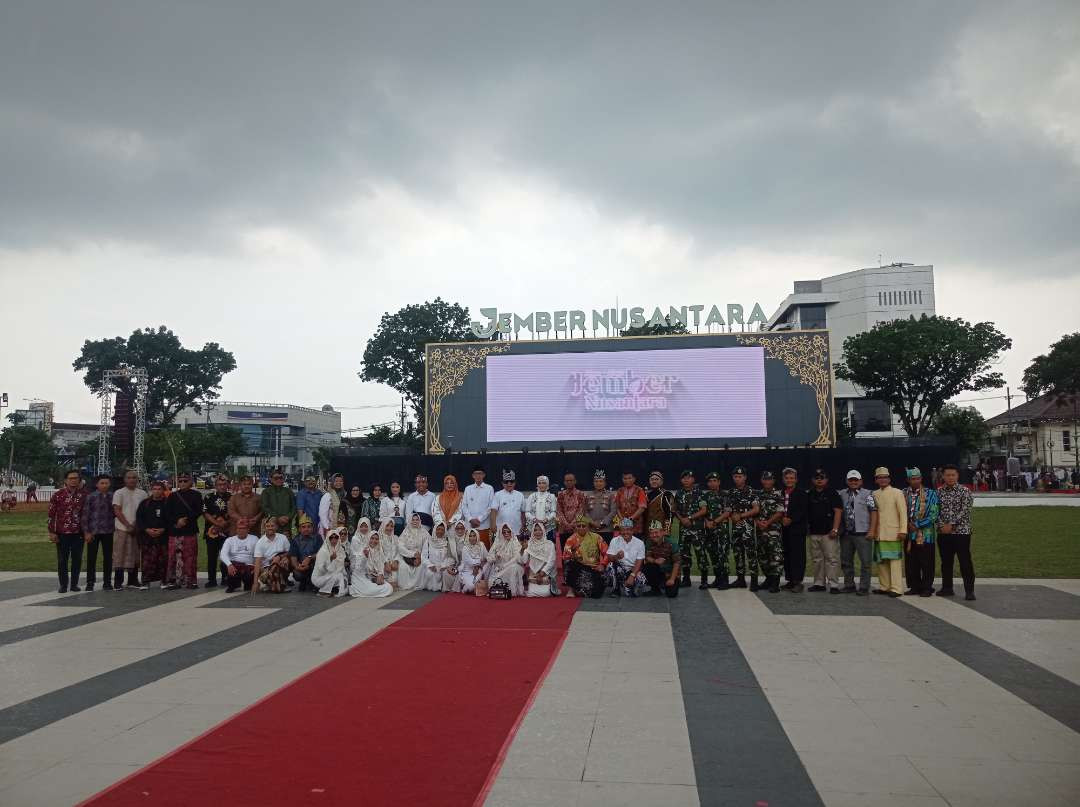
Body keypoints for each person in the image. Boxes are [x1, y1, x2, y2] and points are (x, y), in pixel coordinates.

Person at [936, 464, 976, 601]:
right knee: (946, 562)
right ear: (943, 476)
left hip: (961, 533)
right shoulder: (939, 492)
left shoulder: (965, 491)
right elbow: (935, 510)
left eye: (953, 475)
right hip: (943, 533)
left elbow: (965, 510)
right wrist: (941, 525)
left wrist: (951, 525)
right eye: (948, 475)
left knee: (965, 562)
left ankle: (969, 590)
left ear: (957, 476)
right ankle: (947, 588)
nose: (950, 477)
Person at [868, 467, 907, 597]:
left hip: (893, 533)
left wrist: (903, 530)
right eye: (880, 477)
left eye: (885, 477)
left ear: (889, 479)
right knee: (881, 561)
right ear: (876, 480)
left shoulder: (897, 492)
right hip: (879, 533)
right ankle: (884, 586)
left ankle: (896, 588)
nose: (883, 479)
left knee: (894, 561)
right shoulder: (874, 494)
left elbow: (903, 513)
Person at [48, 470, 88, 593]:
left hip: (78, 533)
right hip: (62, 533)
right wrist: (52, 532)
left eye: (76, 478)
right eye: (71, 478)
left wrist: (87, 531)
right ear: (66, 480)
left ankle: (74, 584)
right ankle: (63, 585)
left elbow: (87, 515)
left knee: (77, 559)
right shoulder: (58, 495)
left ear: (80, 480)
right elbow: (51, 515)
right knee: (62, 560)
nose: (73, 480)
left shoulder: (85, 495)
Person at [805, 468, 843, 594]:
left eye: (822, 477)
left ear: (826, 479)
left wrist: (835, 529)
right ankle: (819, 583)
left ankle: (833, 584)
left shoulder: (832, 493)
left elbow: (838, 511)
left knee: (831, 559)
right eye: (817, 478)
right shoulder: (809, 493)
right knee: (817, 559)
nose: (819, 480)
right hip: (814, 532)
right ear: (812, 480)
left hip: (828, 532)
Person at [902, 468, 939, 597]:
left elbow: (934, 515)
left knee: (927, 561)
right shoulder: (903, 494)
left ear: (921, 479)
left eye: (918, 478)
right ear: (908, 480)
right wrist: (906, 524)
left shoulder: (931, 494)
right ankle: (915, 586)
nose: (916, 481)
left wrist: (917, 524)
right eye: (913, 479)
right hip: (908, 533)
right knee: (912, 562)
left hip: (926, 535)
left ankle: (927, 587)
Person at [164, 472, 202, 590]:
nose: (183, 483)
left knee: (190, 557)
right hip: (175, 531)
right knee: (174, 557)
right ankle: (175, 581)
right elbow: (167, 512)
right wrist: (177, 521)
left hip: (189, 530)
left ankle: (190, 580)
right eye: (180, 481)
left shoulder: (196, 495)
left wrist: (185, 520)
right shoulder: (172, 496)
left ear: (190, 482)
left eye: (185, 481)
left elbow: (198, 511)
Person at [838, 470, 874, 595]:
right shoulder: (841, 494)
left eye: (856, 480)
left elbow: (874, 512)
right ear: (847, 481)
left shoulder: (868, 494)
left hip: (863, 533)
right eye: (851, 480)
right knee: (846, 561)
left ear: (861, 481)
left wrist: (872, 530)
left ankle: (864, 587)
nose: (853, 482)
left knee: (865, 562)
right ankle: (849, 585)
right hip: (847, 534)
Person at [112, 469, 147, 589]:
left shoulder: (142, 493)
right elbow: (117, 510)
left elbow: (143, 512)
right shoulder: (119, 493)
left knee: (135, 554)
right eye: (129, 477)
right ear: (124, 479)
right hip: (122, 528)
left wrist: (136, 525)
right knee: (120, 554)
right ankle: (118, 581)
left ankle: (133, 580)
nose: (131, 480)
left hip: (137, 529)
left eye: (134, 477)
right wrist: (128, 525)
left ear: (137, 480)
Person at [80, 474, 115, 592]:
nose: (104, 485)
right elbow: (85, 515)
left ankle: (107, 582)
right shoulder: (91, 497)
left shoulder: (113, 496)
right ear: (97, 484)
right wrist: (86, 532)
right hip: (93, 532)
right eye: (102, 483)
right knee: (91, 558)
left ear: (110, 484)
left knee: (108, 558)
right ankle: (90, 582)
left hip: (108, 531)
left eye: (106, 483)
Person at [753, 471, 786, 593]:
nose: (767, 481)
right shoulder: (757, 494)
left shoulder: (778, 494)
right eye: (765, 479)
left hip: (773, 531)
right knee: (762, 557)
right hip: (760, 531)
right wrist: (757, 522)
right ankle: (768, 579)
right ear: (762, 480)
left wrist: (767, 522)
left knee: (775, 556)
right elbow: (754, 511)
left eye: (769, 479)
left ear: (773, 481)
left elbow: (780, 512)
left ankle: (775, 583)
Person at [673, 471, 706, 589]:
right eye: (684, 478)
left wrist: (690, 518)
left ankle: (704, 580)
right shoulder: (679, 493)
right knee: (684, 555)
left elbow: (703, 510)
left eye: (689, 478)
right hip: (684, 529)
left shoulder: (699, 493)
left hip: (697, 529)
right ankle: (686, 579)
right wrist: (681, 519)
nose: (686, 480)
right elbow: (674, 509)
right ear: (681, 480)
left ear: (693, 479)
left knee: (700, 554)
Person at [728, 467, 759, 589]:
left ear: (745, 477)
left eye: (740, 476)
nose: (738, 479)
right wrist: (731, 515)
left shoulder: (751, 491)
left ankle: (754, 581)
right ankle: (740, 580)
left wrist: (741, 515)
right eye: (735, 476)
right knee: (737, 554)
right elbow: (728, 509)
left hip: (748, 530)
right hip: (736, 529)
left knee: (751, 554)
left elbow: (756, 509)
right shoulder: (731, 492)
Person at [135, 481, 169, 590]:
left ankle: (164, 581)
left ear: (163, 490)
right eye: (154, 489)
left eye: (159, 489)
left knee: (163, 560)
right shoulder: (145, 503)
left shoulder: (168, 503)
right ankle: (145, 582)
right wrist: (146, 529)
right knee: (147, 561)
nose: (157, 491)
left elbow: (171, 518)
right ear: (151, 490)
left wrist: (163, 529)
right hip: (147, 537)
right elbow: (139, 519)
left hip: (163, 537)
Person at [562, 515, 607, 598]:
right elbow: (565, 556)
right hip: (578, 568)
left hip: (594, 568)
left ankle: (581, 589)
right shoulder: (571, 539)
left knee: (596, 594)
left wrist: (603, 564)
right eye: (579, 526)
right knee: (569, 563)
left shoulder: (597, 537)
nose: (581, 528)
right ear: (575, 527)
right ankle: (571, 589)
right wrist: (574, 552)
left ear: (588, 527)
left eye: (584, 526)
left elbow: (606, 553)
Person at [780, 467, 808, 592]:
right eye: (787, 478)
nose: (789, 480)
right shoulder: (780, 493)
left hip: (797, 529)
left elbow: (803, 510)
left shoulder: (802, 494)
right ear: (783, 479)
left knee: (798, 556)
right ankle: (790, 580)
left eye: (792, 478)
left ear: (796, 479)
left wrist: (791, 519)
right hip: (783, 529)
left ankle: (798, 581)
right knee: (786, 554)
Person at [202, 474, 231, 588]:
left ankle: (226, 578)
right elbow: (205, 513)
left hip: (227, 531)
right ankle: (212, 579)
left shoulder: (231, 497)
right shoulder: (209, 497)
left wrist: (225, 522)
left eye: (224, 484)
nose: (222, 487)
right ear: (215, 485)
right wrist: (216, 523)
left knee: (226, 556)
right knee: (211, 556)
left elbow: (233, 513)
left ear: (227, 485)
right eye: (220, 484)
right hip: (211, 531)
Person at [349, 524, 395, 597]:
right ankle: (356, 588)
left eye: (376, 539)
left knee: (389, 588)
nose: (374, 541)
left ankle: (374, 587)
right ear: (368, 539)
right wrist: (365, 557)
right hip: (361, 577)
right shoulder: (363, 550)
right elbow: (359, 568)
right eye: (372, 538)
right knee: (371, 589)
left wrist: (380, 575)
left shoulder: (379, 551)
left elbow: (380, 566)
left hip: (372, 578)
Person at [701, 472, 729, 589]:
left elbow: (727, 512)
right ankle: (717, 579)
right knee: (713, 555)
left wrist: (715, 522)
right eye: (710, 481)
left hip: (721, 529)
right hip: (709, 530)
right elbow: (703, 511)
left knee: (723, 555)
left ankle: (725, 581)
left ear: (719, 482)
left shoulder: (725, 495)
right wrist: (707, 522)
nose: (712, 483)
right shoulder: (705, 496)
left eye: (715, 480)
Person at [605, 518, 646, 597]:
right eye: (623, 530)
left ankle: (627, 586)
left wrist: (632, 575)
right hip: (620, 569)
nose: (625, 532)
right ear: (620, 531)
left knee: (639, 583)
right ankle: (615, 589)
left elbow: (639, 562)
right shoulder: (615, 540)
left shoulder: (640, 543)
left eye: (628, 530)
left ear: (632, 530)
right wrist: (617, 556)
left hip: (633, 569)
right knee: (610, 566)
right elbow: (609, 558)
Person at [642, 519, 681, 598]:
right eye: (652, 533)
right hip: (659, 570)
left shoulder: (672, 543)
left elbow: (677, 563)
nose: (654, 535)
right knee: (647, 567)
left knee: (671, 594)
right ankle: (655, 589)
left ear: (662, 532)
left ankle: (666, 583)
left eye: (656, 532)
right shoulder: (649, 542)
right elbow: (647, 557)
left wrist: (672, 579)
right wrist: (655, 560)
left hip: (670, 573)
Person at [252, 517, 292, 593]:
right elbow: (257, 562)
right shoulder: (260, 542)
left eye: (272, 526)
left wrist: (279, 557)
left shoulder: (283, 538)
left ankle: (277, 584)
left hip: (281, 565)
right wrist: (255, 583)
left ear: (276, 527)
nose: (270, 528)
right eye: (268, 526)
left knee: (284, 561)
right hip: (266, 569)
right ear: (264, 527)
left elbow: (290, 552)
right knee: (275, 586)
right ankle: (277, 585)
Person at [219, 518, 258, 593]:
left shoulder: (254, 539)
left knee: (248, 588)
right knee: (223, 564)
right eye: (239, 528)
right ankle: (233, 584)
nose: (241, 530)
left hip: (248, 566)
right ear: (236, 530)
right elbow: (223, 554)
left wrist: (255, 567)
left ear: (248, 530)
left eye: (244, 528)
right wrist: (229, 565)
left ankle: (247, 582)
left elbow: (258, 555)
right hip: (234, 566)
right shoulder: (230, 540)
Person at [461, 466, 496, 548]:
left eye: (480, 474)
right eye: (476, 474)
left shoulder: (489, 488)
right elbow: (464, 506)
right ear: (473, 475)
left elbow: (490, 507)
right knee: (470, 549)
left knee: (484, 550)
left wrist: (479, 519)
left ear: (484, 475)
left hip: (484, 526)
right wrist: (470, 519)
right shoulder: (468, 489)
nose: (478, 476)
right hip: (470, 525)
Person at [488, 523, 525, 596]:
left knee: (514, 567)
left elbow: (517, 559)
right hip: (498, 570)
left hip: (511, 567)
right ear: (501, 533)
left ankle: (512, 591)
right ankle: (505, 590)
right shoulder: (497, 543)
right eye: (504, 532)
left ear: (511, 532)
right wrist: (495, 557)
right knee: (491, 583)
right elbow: (489, 559)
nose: (506, 534)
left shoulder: (515, 542)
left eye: (508, 531)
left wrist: (504, 566)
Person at [311, 527, 349, 597]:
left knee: (342, 578)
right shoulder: (323, 551)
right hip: (320, 577)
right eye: (331, 537)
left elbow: (341, 567)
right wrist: (330, 559)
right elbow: (321, 570)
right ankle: (323, 592)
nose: (334, 540)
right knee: (337, 577)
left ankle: (331, 589)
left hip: (331, 575)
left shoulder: (340, 550)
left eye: (336, 537)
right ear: (328, 538)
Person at [289, 514, 323, 592]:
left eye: (308, 526)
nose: (306, 529)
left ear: (312, 528)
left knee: (317, 564)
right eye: (303, 527)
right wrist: (297, 567)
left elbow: (321, 553)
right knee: (297, 574)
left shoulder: (318, 538)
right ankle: (304, 581)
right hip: (302, 566)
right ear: (299, 529)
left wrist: (309, 558)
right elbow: (293, 558)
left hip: (314, 565)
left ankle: (314, 583)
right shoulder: (295, 540)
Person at [422, 521, 459, 592]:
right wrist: (430, 565)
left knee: (444, 574)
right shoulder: (428, 541)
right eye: (438, 529)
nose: (440, 531)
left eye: (442, 530)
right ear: (435, 529)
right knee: (430, 573)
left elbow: (451, 557)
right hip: (431, 566)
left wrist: (444, 565)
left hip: (443, 566)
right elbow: (424, 556)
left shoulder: (448, 542)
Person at [396, 513, 429, 590]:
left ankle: (418, 585)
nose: (415, 521)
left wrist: (420, 557)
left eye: (417, 520)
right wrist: (412, 554)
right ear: (410, 521)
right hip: (406, 556)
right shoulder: (405, 531)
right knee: (403, 567)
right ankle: (405, 585)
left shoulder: (424, 532)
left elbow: (427, 545)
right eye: (413, 520)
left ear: (419, 521)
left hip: (420, 556)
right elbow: (400, 546)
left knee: (422, 566)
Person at [260, 470, 297, 538]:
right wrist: (277, 518)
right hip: (272, 524)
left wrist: (288, 517)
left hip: (286, 524)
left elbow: (294, 507)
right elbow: (264, 507)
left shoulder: (289, 492)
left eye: (281, 478)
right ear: (271, 479)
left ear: (283, 479)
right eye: (276, 478)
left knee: (286, 544)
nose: (278, 480)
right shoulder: (266, 492)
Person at [524, 522, 557, 597]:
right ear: (532, 532)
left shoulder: (549, 544)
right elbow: (524, 561)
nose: (538, 532)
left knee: (545, 593)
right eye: (535, 530)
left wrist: (542, 573)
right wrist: (524, 549)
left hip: (545, 572)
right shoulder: (529, 543)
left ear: (543, 531)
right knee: (531, 593)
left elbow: (551, 561)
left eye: (540, 530)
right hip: (533, 573)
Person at [492, 470, 525, 538]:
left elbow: (523, 512)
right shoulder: (497, 495)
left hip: (516, 529)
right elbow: (493, 511)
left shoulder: (520, 495)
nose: (509, 484)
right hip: (502, 530)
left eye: (511, 482)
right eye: (506, 482)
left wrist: (523, 525)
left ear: (515, 483)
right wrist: (493, 525)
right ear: (502, 483)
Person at [583, 470, 615, 540]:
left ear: (605, 483)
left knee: (606, 550)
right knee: (592, 550)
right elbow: (585, 511)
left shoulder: (611, 495)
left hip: (607, 529)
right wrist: (592, 522)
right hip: (591, 529)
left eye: (601, 481)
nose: (598, 483)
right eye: (596, 481)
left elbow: (613, 512)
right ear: (593, 483)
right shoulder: (588, 495)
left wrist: (602, 523)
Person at [556, 472, 587, 542]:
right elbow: (559, 511)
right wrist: (566, 524)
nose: (569, 482)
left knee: (577, 550)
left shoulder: (580, 494)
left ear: (575, 481)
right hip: (563, 528)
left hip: (577, 528)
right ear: (564, 482)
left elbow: (581, 511)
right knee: (565, 550)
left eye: (571, 480)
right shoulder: (561, 495)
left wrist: (572, 524)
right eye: (567, 481)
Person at [614, 471, 647, 536]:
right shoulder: (620, 491)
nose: (627, 480)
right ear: (622, 479)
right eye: (625, 478)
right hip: (623, 525)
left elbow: (642, 508)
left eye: (629, 478)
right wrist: (622, 519)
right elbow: (617, 507)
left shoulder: (639, 490)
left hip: (636, 526)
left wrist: (631, 518)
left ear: (634, 479)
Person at [457, 527, 489, 594]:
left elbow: (487, 557)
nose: (472, 538)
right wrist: (480, 561)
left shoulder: (481, 545)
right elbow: (470, 562)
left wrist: (479, 565)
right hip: (467, 570)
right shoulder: (465, 548)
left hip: (479, 569)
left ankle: (479, 585)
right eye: (470, 536)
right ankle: (465, 587)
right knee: (470, 586)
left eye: (474, 536)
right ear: (468, 537)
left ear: (477, 536)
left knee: (489, 565)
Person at [645, 471, 675, 535]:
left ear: (662, 481)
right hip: (648, 531)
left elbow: (670, 513)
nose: (654, 481)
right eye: (652, 479)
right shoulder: (646, 495)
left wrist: (666, 530)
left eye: (656, 479)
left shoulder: (666, 494)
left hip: (660, 531)